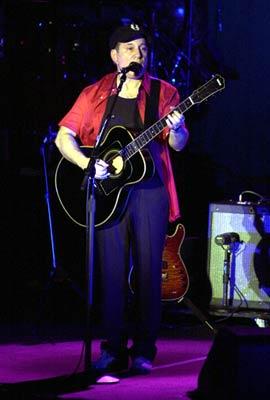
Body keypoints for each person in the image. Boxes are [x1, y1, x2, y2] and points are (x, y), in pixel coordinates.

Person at [55, 23, 189, 376]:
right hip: (109, 193)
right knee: (110, 274)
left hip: (151, 190)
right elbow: (63, 136)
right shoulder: (95, 93)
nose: (137, 54)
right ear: (115, 56)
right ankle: (111, 351)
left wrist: (177, 129)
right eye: (129, 48)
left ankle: (144, 349)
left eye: (143, 48)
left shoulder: (164, 92)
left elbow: (178, 144)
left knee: (148, 272)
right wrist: (87, 163)